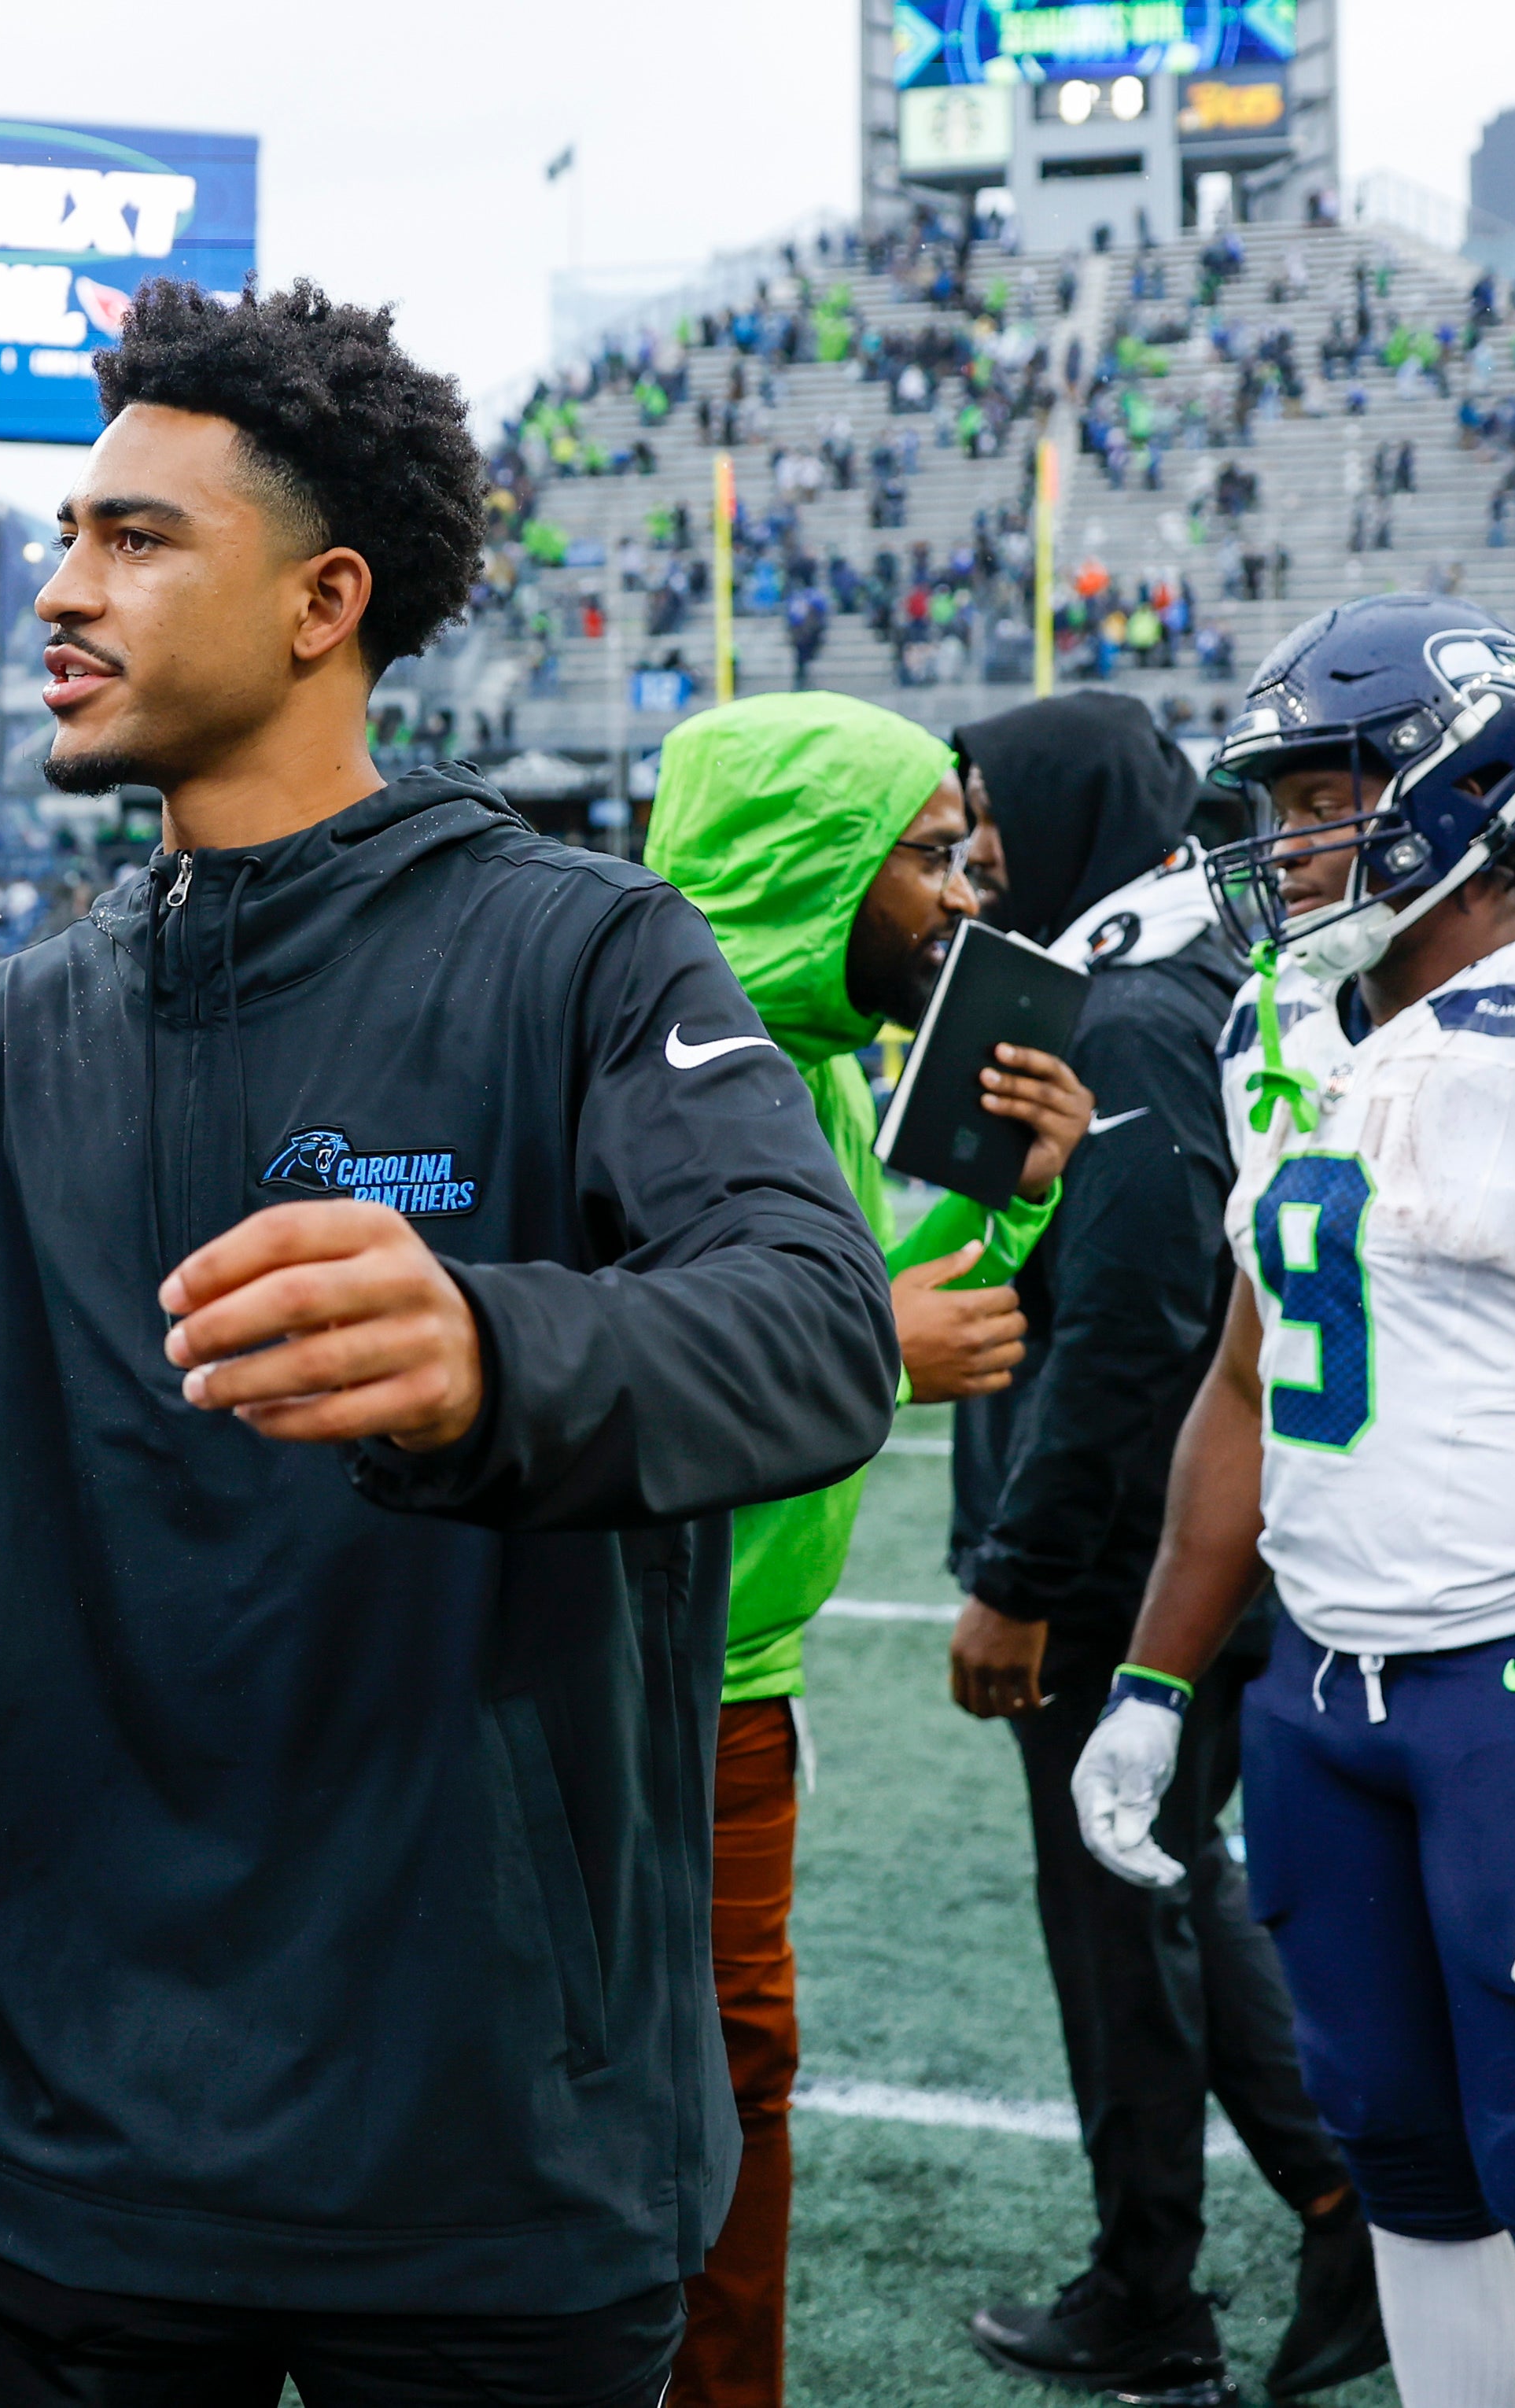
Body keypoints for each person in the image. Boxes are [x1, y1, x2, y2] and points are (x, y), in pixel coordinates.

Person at [0, 278, 900, 2404]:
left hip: (485, 2160)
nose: (58, 592)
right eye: (67, 537)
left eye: (136, 539)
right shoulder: (10, 1032)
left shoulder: (589, 950)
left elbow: (816, 1329)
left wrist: (488, 1349)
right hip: (60, 2150)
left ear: (322, 599)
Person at [1077, 596, 1515, 2408]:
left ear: (1468, 792)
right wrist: (1157, 1680)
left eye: (1325, 795)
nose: (1289, 844)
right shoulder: (1291, 1024)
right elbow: (1251, 1377)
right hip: (1323, 1695)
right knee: (1397, 2144)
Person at [638, 691, 1093, 2408]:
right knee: (603, 2093)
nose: (966, 895)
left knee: (739, 2083)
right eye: (925, 856)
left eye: (964, 853)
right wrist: (863, 1350)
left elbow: (874, 1320)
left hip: (738, 1675)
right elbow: (596, 1373)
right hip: (592, 1675)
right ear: (807, 862)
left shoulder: (814, 1065)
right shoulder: (619, 1057)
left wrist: (1012, 1197)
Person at [938, 692, 1380, 2402]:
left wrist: (1018, 1578)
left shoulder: (1123, 1009)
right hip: (1196, 1544)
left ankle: (1172, 2280)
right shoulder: (1193, 969)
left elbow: (1131, 1329)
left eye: (988, 807)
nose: (973, 845)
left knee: (1122, 1909)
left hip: (1129, 1561)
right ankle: (1330, 2206)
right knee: (1170, 1880)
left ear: (1061, 810)